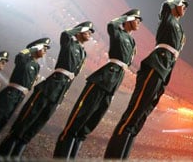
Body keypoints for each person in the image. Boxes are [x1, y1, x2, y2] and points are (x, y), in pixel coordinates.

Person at [104, 0, 187, 159]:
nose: (185, 7)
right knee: (134, 113)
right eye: (182, 4)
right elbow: (165, 5)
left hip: (165, 70)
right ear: (174, 5)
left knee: (140, 118)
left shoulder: (179, 29)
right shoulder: (168, 19)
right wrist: (175, 2)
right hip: (156, 65)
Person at [54, 9, 141, 159]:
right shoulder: (118, 33)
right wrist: (126, 17)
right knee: (77, 121)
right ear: (129, 19)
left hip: (113, 84)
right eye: (136, 19)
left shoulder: (132, 41)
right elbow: (112, 25)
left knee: (88, 126)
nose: (139, 22)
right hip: (102, 79)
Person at [0, 22, 93, 157]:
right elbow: (65, 33)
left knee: (35, 127)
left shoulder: (83, 53)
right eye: (87, 30)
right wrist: (80, 28)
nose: (90, 33)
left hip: (60, 92)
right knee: (23, 125)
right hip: (48, 89)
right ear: (80, 32)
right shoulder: (69, 43)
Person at [0, 37, 50, 133]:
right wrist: (33, 48)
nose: (45, 51)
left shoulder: (37, 66)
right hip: (11, 94)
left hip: (20, 96)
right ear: (37, 48)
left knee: (4, 121)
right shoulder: (24, 59)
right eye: (43, 48)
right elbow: (20, 54)